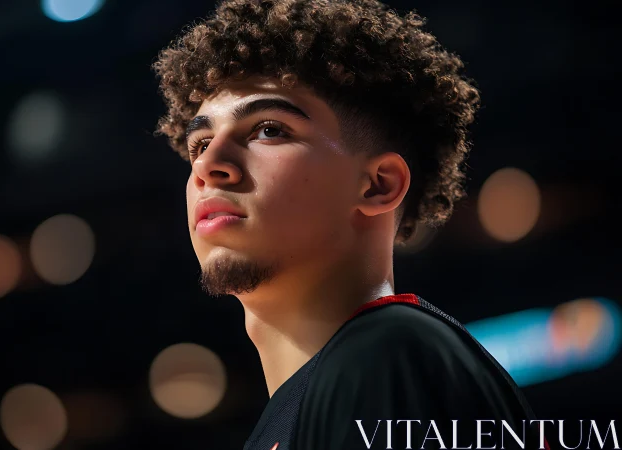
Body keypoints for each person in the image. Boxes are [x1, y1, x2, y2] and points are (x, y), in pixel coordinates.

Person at [152, 0, 550, 449]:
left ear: (378, 185)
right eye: (199, 143)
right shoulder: (325, 392)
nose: (209, 164)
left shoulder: (388, 354)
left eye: (268, 130)